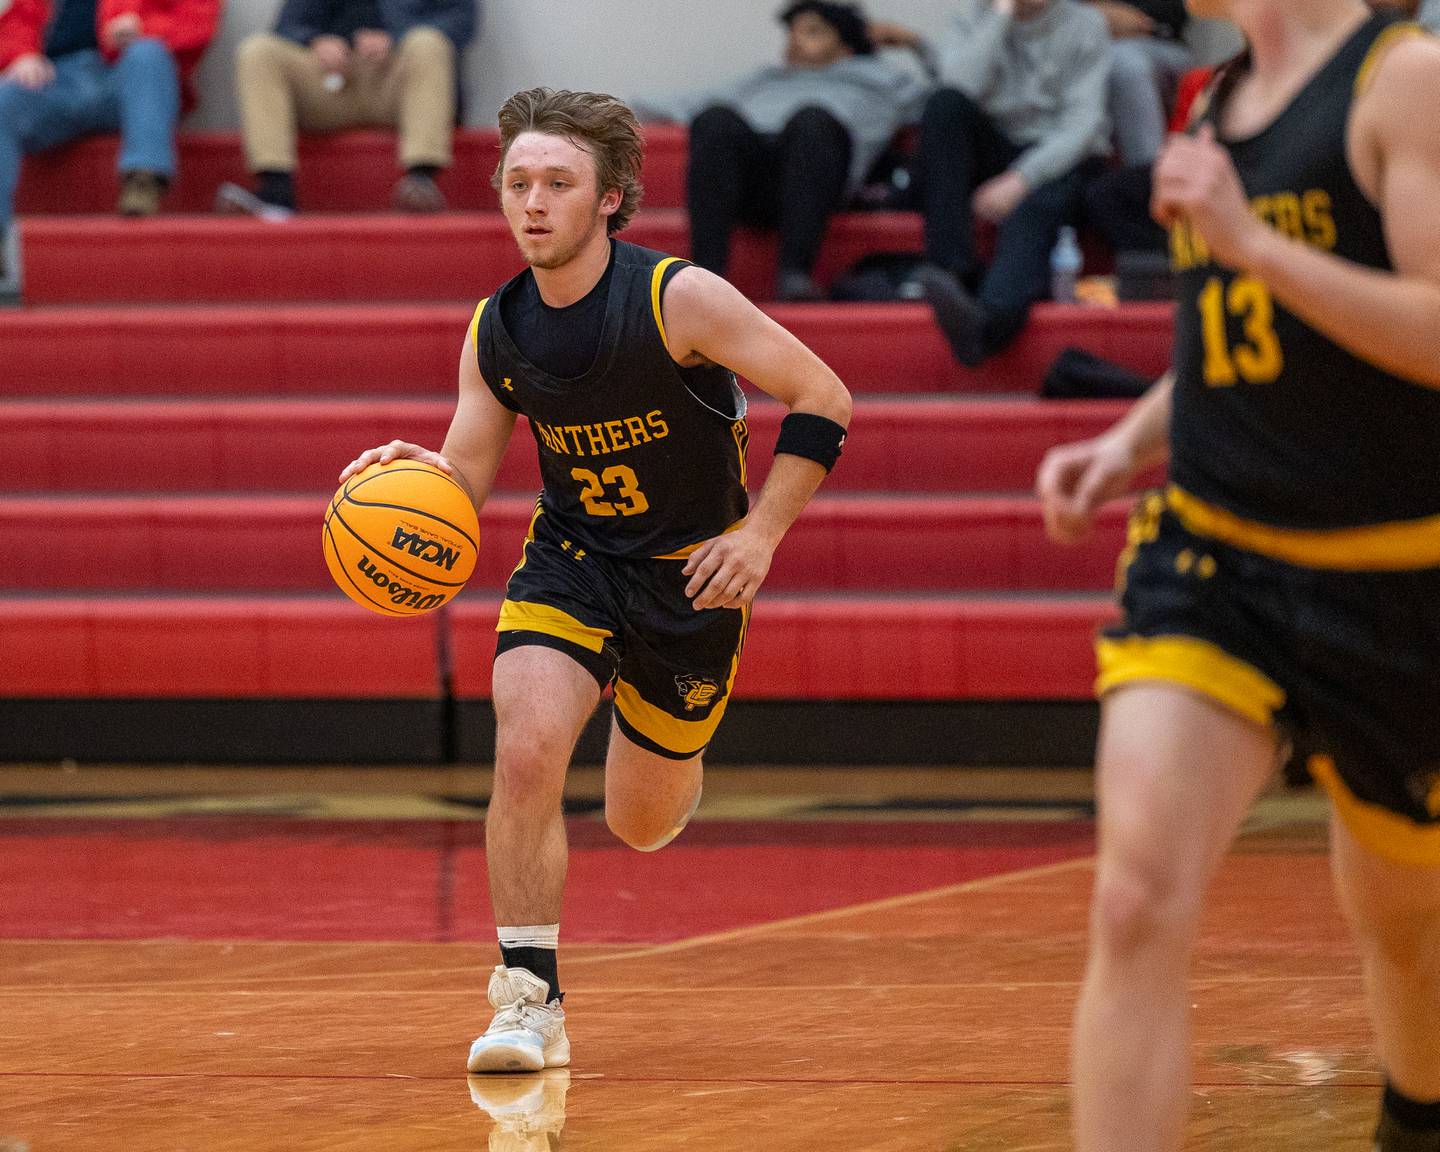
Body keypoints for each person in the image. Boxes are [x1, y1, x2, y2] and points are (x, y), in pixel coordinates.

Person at [339, 88, 852, 1074]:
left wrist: (762, 533)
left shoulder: (679, 299)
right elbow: (467, 474)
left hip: (691, 581)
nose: (532, 201)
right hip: (571, 563)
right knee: (525, 750)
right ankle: (527, 999)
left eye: (557, 184)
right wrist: (409, 482)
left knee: (639, 823)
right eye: (517, 182)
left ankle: (670, 764)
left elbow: (824, 397)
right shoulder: (497, 327)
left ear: (611, 198)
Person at [1035, 3, 1440, 1149]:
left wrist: (1255, 240)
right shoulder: (1219, 96)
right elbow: (1236, 317)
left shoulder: (1406, 84)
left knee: (1409, 934)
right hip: (1218, 560)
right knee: (1133, 898)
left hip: (1400, 582)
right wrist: (1126, 445)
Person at [636, 1, 928, 301]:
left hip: (819, 181)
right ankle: (704, 280)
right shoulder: (768, 77)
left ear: (846, 44)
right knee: (714, 119)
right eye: (793, 32)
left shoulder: (885, 81)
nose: (795, 40)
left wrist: (918, 45)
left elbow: (955, 95)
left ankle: (794, 276)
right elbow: (686, 104)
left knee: (812, 120)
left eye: (812, 31)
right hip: (754, 179)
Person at [904, 0, 1111, 367]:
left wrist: (1021, 179)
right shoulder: (975, 20)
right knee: (944, 108)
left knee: (1036, 208)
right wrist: (1000, 16)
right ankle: (951, 271)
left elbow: (1083, 125)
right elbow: (955, 87)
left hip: (1058, 154)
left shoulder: (1086, 24)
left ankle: (989, 324)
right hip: (994, 146)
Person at [0, 0, 218, 279]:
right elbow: (18, 20)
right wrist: (21, 54)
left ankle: (144, 182)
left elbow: (198, 20)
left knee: (147, 53)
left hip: (125, 77)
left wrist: (144, 29)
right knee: (5, 97)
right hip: (56, 82)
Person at [216, 0, 474, 217]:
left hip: (399, 83)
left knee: (428, 43)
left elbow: (462, 22)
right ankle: (275, 191)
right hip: (333, 82)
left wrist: (395, 38)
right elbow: (286, 27)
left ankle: (420, 182)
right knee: (258, 51)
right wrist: (315, 41)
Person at [1088, 1, 1192, 167]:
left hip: (1156, 41)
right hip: (1074, 42)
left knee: (1125, 63)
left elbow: (1175, 10)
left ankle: (1148, 176)